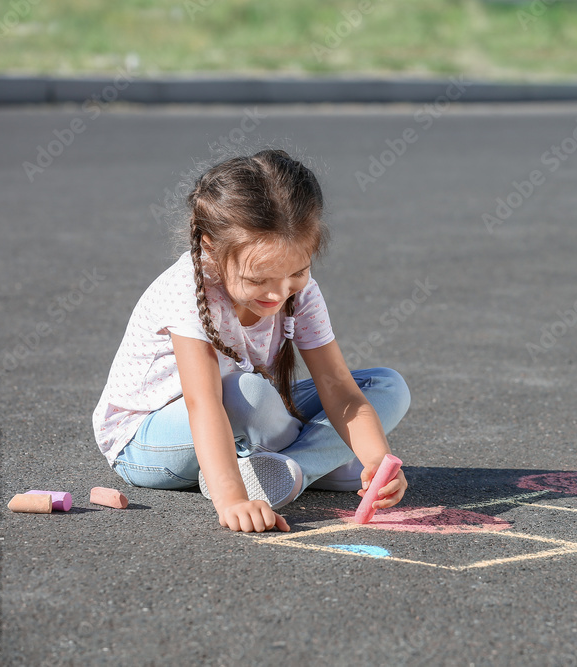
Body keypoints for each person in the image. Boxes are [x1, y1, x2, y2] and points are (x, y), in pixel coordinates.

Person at [92, 148, 409, 533]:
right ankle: (314, 460)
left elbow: (339, 390)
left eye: (297, 272)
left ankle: (295, 469)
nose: (278, 294)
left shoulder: (297, 291)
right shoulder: (188, 290)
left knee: (388, 386)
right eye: (258, 280)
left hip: (253, 422)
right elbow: (204, 403)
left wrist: (378, 461)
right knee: (249, 395)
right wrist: (232, 499)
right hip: (147, 439)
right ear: (210, 245)